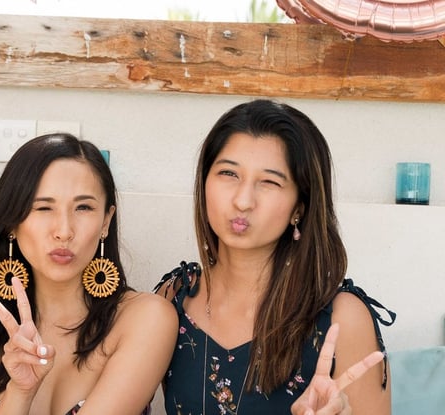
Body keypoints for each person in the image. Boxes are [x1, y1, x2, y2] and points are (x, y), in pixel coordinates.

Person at [155, 99, 396, 414]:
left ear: (300, 207)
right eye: (228, 173)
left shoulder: (342, 319)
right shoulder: (174, 298)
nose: (243, 201)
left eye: (269, 182)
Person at [0, 133, 178, 414]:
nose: (64, 231)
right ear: (11, 223)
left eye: (83, 207)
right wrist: (20, 391)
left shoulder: (146, 318)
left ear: (106, 221)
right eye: (43, 207)